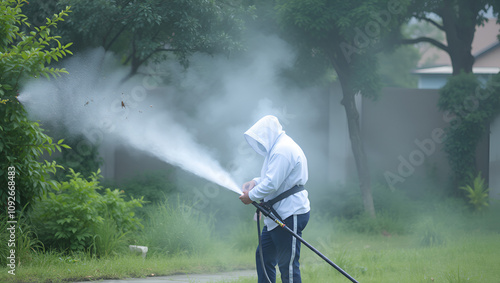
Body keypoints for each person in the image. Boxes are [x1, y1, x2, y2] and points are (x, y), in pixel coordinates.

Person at [239, 115, 310, 283]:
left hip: (289, 214)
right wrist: (255, 182)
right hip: (277, 216)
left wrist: (251, 196)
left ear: (268, 134)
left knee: (288, 266)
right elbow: (272, 177)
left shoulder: (283, 150)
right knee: (264, 257)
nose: (260, 142)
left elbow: (272, 183)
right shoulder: (278, 148)